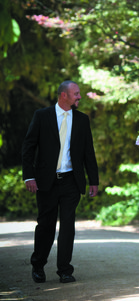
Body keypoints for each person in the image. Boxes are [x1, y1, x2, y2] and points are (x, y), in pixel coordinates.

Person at [22, 80, 99, 284]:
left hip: (71, 181)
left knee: (68, 226)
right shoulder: (42, 116)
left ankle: (65, 270)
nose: (79, 97)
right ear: (63, 95)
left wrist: (94, 180)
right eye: (76, 93)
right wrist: (29, 176)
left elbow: (88, 152)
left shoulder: (82, 120)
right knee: (45, 225)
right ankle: (38, 265)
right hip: (46, 181)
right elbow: (29, 147)